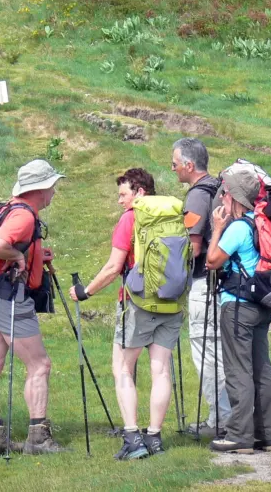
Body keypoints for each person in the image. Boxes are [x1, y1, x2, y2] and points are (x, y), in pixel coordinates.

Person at [69, 168, 181, 460]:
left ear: (140, 192)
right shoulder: (173, 216)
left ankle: (132, 438)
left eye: (123, 194)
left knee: (122, 367)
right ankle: (154, 438)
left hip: (137, 302)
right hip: (172, 301)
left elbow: (113, 267)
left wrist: (85, 291)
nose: (119, 200)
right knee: (161, 370)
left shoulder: (130, 219)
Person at [0, 159, 66, 456]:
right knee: (40, 365)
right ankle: (38, 439)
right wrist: (19, 258)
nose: (54, 191)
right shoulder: (24, 217)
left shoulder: (9, 208)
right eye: (52, 186)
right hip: (9, 297)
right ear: (40, 189)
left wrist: (36, 256)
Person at [205, 165, 271, 454]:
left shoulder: (237, 228)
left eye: (224, 192)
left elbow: (212, 261)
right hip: (261, 305)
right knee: (262, 370)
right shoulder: (261, 223)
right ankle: (267, 436)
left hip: (237, 307)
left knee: (238, 371)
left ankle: (239, 436)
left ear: (234, 197)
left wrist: (218, 228)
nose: (221, 197)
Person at [171, 137, 229, 436]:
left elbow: (193, 248)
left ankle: (219, 420)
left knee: (206, 352)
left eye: (174, 164)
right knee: (221, 350)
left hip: (204, 286)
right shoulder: (220, 189)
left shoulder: (196, 197)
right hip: (224, 285)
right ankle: (231, 416)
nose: (173, 169)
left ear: (189, 165)